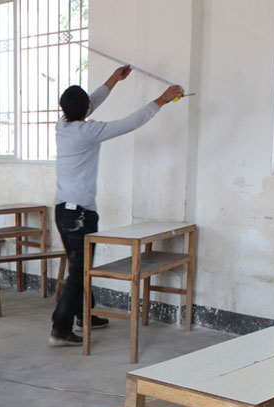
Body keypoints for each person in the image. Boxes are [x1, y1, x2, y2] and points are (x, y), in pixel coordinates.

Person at [50, 66, 183, 346]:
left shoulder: (63, 126)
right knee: (80, 270)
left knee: (80, 265)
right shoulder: (89, 132)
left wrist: (114, 80)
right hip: (80, 216)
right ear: (85, 109)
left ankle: (85, 314)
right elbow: (130, 122)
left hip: (64, 211)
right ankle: (60, 328)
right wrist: (162, 99)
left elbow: (90, 102)